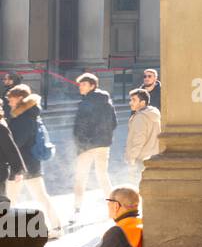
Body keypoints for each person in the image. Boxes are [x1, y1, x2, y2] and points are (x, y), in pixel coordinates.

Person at [3, 85, 62, 236]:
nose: (9, 102)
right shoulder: (28, 115)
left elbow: (16, 143)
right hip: (30, 164)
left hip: (22, 166)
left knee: (11, 199)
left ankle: (55, 227)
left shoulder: (23, 118)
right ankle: (56, 226)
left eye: (11, 99)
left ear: (20, 98)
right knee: (38, 196)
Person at [71, 73, 117, 227]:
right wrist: (105, 137)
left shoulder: (85, 104)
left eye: (84, 84)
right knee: (103, 176)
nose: (80, 87)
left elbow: (80, 127)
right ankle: (113, 207)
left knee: (80, 176)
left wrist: (81, 144)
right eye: (80, 84)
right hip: (103, 144)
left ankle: (76, 208)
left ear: (92, 85)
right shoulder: (106, 102)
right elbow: (114, 123)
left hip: (87, 146)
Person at [123, 88, 162, 182]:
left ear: (142, 102)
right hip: (152, 156)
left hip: (140, 160)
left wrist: (131, 158)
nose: (130, 103)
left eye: (134, 100)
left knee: (136, 187)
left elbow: (138, 140)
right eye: (130, 99)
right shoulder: (153, 114)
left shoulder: (140, 117)